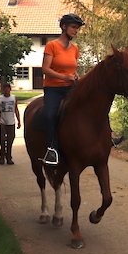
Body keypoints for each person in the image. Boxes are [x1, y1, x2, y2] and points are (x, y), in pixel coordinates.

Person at [41, 13, 84, 165]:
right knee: (50, 115)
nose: (76, 31)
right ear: (64, 27)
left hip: (70, 87)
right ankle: (51, 149)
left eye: (77, 28)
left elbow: (73, 69)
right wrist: (64, 77)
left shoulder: (75, 49)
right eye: (73, 27)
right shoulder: (52, 46)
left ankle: (107, 136)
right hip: (53, 88)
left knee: (92, 104)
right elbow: (45, 69)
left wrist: (77, 78)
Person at [0, 83, 21, 165]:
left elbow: (16, 109)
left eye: (8, 88)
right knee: (2, 140)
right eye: (5, 88)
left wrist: (19, 120)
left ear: (10, 89)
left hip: (11, 122)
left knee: (10, 140)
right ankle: (2, 156)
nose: (7, 90)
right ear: (3, 89)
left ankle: (9, 157)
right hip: (2, 122)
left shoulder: (14, 98)